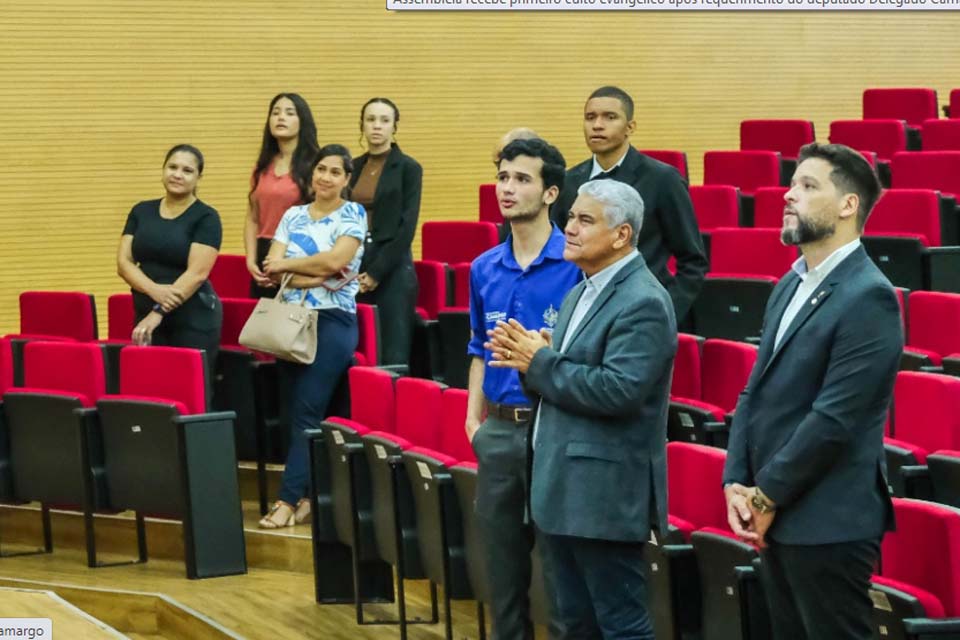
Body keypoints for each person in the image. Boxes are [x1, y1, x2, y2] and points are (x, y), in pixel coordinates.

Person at [721, 143, 901, 640]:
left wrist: (765, 494)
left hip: (828, 522)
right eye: (792, 183)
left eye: (808, 185)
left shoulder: (870, 296)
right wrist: (736, 480)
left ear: (848, 206)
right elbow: (753, 392)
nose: (788, 193)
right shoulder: (790, 283)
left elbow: (834, 419)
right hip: (776, 515)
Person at [490, 179, 677, 639]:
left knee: (621, 625)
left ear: (621, 235)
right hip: (562, 489)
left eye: (584, 220)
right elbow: (563, 381)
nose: (569, 228)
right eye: (571, 216)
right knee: (574, 624)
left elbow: (619, 391)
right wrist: (530, 363)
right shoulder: (581, 291)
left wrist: (542, 362)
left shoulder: (644, 301)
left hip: (603, 496)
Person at [466, 137, 581, 640]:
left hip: (556, 430)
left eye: (522, 179)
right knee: (502, 573)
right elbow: (477, 348)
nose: (507, 189)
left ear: (551, 192)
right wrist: (473, 421)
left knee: (561, 573)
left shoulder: (578, 264)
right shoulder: (483, 267)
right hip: (499, 431)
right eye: (503, 178)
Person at [258, 144, 366, 528]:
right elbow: (273, 268)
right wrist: (314, 273)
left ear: (346, 179)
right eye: (321, 169)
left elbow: (337, 262)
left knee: (307, 411)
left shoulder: (353, 214)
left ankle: (286, 501)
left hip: (334, 321)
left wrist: (291, 266)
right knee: (297, 412)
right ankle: (308, 497)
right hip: (291, 320)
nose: (325, 177)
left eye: (335, 172)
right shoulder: (293, 214)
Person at [551, 85, 707, 326]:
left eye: (610, 117)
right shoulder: (569, 182)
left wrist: (667, 310)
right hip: (583, 314)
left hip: (643, 312)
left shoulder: (662, 179)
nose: (597, 125)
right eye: (590, 117)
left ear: (630, 127)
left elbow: (693, 261)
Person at [118, 144, 223, 374]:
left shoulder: (207, 217)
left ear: (198, 178)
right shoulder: (141, 211)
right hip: (145, 311)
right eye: (172, 167)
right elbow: (124, 263)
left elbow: (197, 274)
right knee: (149, 388)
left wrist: (158, 312)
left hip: (192, 318)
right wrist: (154, 290)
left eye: (187, 170)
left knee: (188, 389)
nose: (177, 174)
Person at [349, 98, 422, 366]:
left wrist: (377, 273)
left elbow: (407, 228)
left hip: (392, 267)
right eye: (370, 120)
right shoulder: (352, 167)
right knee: (358, 350)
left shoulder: (408, 168)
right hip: (354, 263)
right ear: (362, 125)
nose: (376, 126)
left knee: (392, 353)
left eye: (384, 120)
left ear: (394, 127)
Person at [244, 93, 320, 298]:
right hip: (263, 253)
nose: (280, 118)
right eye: (275, 113)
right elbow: (252, 217)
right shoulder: (261, 166)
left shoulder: (315, 166)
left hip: (298, 253)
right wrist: (251, 260)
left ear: (302, 121)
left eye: (289, 113)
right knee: (264, 324)